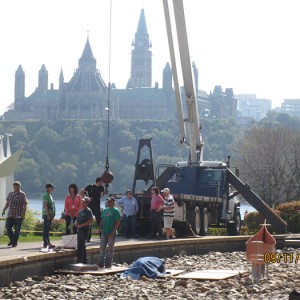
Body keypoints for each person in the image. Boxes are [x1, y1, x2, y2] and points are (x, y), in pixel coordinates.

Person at [2, 181, 27, 247]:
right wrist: (4, 210)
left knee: (17, 230)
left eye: (17, 186)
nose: (16, 187)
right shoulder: (10, 194)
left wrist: (24, 213)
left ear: (19, 186)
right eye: (15, 186)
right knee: (8, 227)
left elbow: (24, 204)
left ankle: (14, 242)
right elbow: (8, 203)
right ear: (13, 186)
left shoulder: (22, 194)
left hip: (18, 215)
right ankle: (12, 240)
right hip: (10, 214)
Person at [98, 197, 121, 268]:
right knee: (102, 247)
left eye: (110, 201)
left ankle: (108, 263)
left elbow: (118, 222)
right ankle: (101, 262)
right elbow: (102, 219)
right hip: (104, 232)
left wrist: (113, 232)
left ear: (113, 202)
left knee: (110, 248)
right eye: (108, 202)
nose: (108, 203)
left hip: (111, 232)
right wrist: (100, 228)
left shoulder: (116, 211)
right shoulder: (105, 210)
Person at [81, 177, 105, 242]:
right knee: (89, 222)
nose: (102, 183)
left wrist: (100, 197)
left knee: (100, 222)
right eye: (101, 182)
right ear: (98, 181)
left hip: (97, 206)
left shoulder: (101, 187)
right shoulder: (90, 186)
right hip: (90, 206)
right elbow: (82, 191)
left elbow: (104, 192)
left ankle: (101, 237)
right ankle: (88, 238)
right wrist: (87, 198)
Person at [75, 197, 93, 264]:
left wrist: (82, 225)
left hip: (85, 230)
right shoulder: (80, 210)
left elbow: (90, 220)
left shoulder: (88, 211)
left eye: (84, 202)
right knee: (82, 245)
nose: (82, 203)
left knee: (81, 245)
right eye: (82, 201)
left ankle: (79, 260)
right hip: (79, 230)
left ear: (87, 203)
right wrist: (76, 223)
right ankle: (85, 260)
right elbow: (77, 218)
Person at [42, 183, 56, 249]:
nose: (53, 189)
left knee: (47, 230)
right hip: (47, 214)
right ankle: (45, 243)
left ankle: (48, 243)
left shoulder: (50, 195)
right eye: (52, 188)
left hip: (50, 214)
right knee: (46, 229)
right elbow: (45, 205)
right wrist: (48, 214)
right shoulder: (46, 195)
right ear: (48, 188)